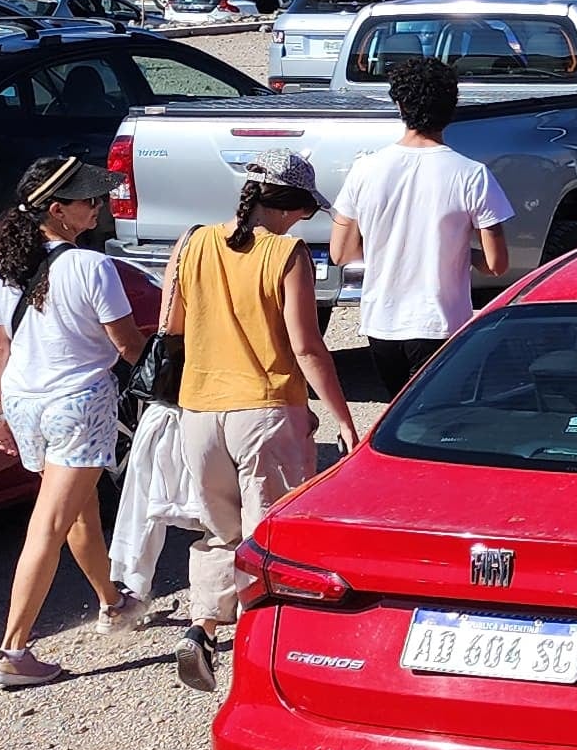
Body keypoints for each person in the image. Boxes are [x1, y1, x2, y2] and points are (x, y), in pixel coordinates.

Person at [160, 146, 359, 691]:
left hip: (199, 408)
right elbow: (308, 347)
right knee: (269, 532)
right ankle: (261, 645)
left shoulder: (193, 241)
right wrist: (342, 417)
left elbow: (171, 326)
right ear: (292, 203)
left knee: (219, 529)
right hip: (265, 407)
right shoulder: (287, 253)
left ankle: (200, 628)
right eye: (304, 209)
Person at [0, 157, 155, 689]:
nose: (98, 207)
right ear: (58, 211)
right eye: (89, 200)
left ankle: (112, 602)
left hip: (24, 401)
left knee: (77, 512)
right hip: (77, 403)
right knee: (50, 524)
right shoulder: (92, 267)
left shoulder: (3, 266)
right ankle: (13, 649)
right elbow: (128, 345)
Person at [329, 57, 515, 407]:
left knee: (396, 415)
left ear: (399, 104)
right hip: (440, 322)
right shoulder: (471, 174)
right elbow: (496, 264)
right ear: (452, 106)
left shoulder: (364, 169)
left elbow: (341, 253)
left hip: (381, 321)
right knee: (437, 420)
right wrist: (463, 252)